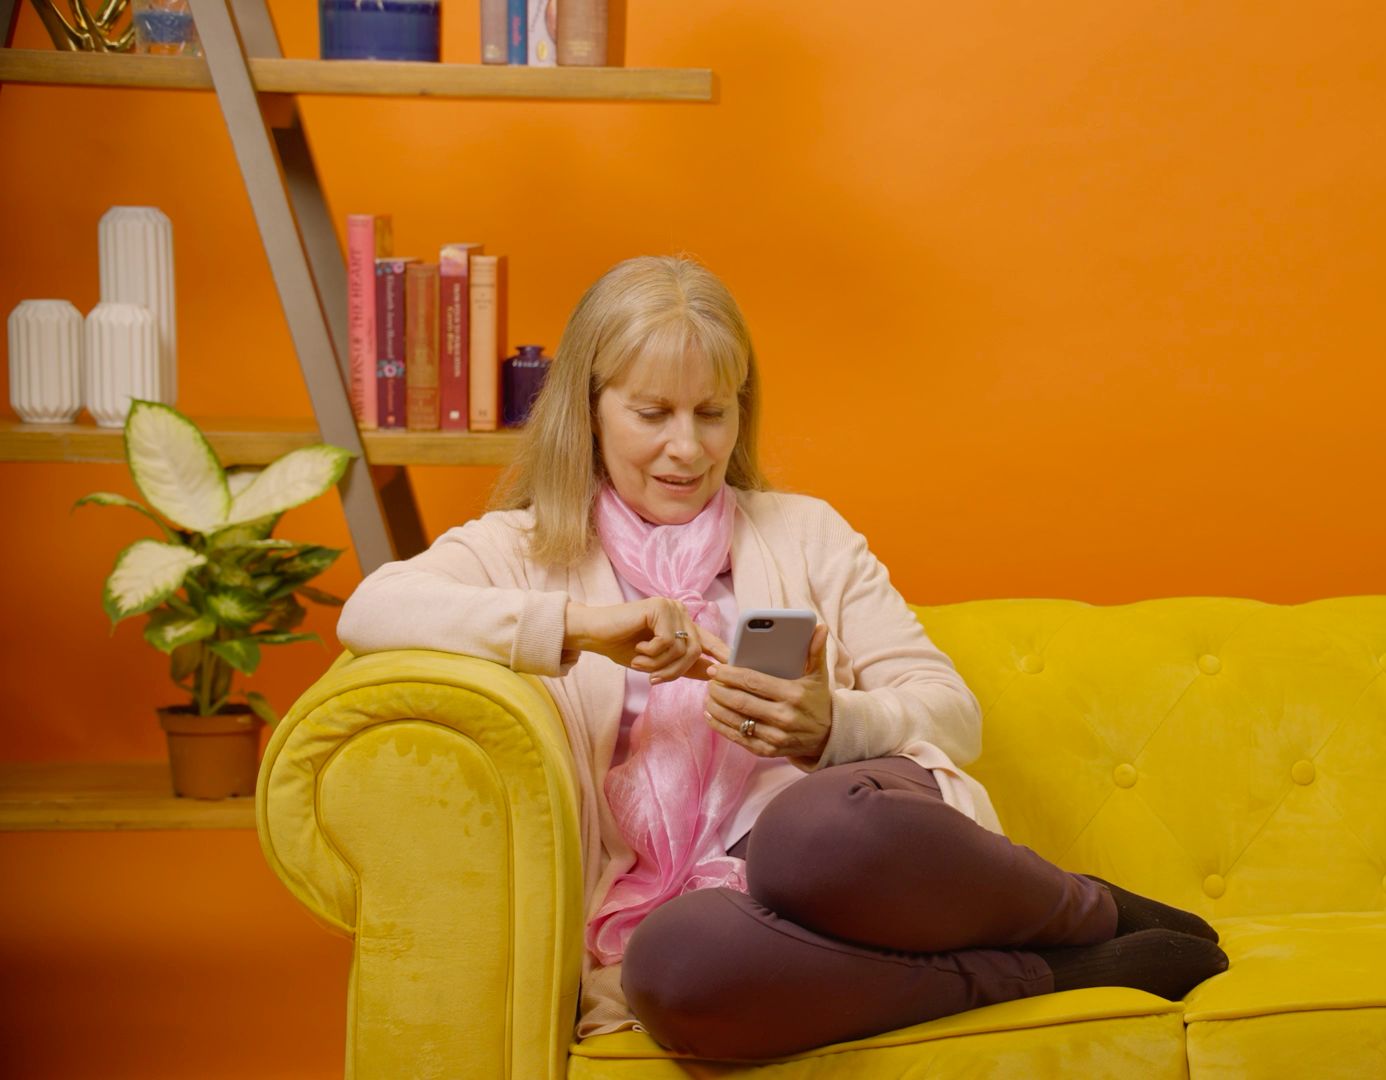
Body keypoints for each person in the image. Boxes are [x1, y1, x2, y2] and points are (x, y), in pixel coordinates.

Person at [335, 255, 1229, 1059]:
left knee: (810, 832)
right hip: (715, 914)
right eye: (652, 413)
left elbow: (952, 711)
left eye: (712, 412)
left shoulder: (805, 532)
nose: (689, 448)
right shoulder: (524, 551)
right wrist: (577, 625)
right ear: (589, 408)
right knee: (674, 964)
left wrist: (834, 725)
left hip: (856, 848)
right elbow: (373, 608)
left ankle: (1090, 908)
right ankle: (1055, 969)